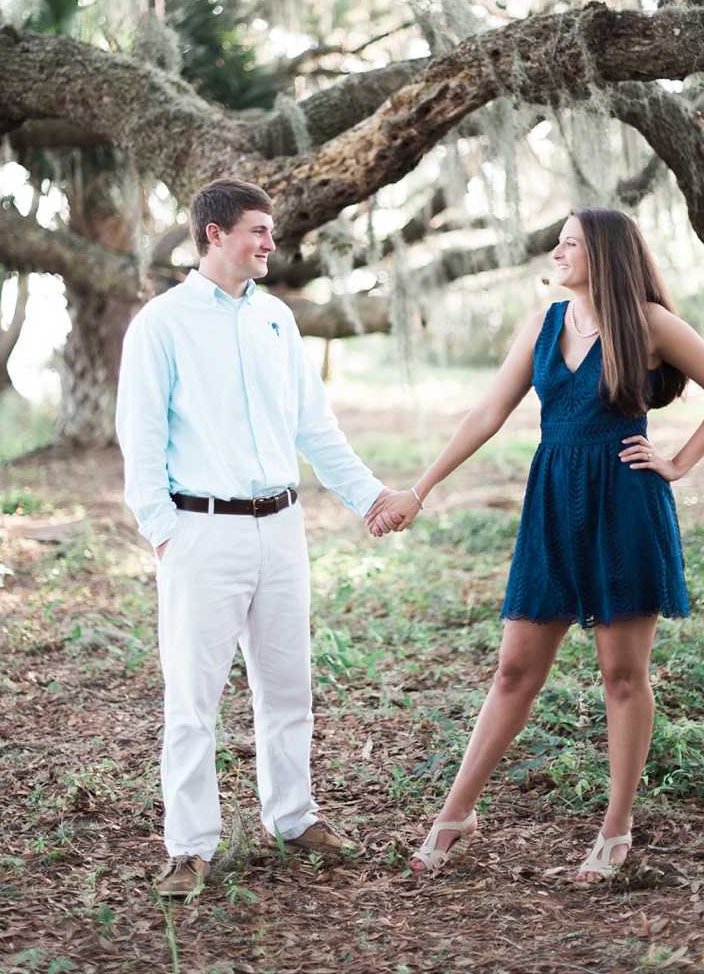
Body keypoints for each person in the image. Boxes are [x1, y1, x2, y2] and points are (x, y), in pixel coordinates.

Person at [366, 207, 704, 882]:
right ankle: (455, 813)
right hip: (552, 507)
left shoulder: (649, 323)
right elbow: (487, 413)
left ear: (604, 252)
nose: (556, 251)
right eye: (558, 242)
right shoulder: (544, 324)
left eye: (570, 242)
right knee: (514, 669)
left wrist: (680, 462)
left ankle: (616, 829)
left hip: (626, 505)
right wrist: (417, 491)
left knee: (622, 676)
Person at [116, 178, 406, 898]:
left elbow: (315, 427)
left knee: (288, 689)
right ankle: (189, 848)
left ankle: (294, 817)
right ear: (214, 234)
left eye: (270, 230)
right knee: (193, 700)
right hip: (200, 532)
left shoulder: (277, 320)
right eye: (257, 229)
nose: (271, 242)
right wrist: (164, 533)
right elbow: (141, 436)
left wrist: (370, 497)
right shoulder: (163, 323)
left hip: (281, 529)